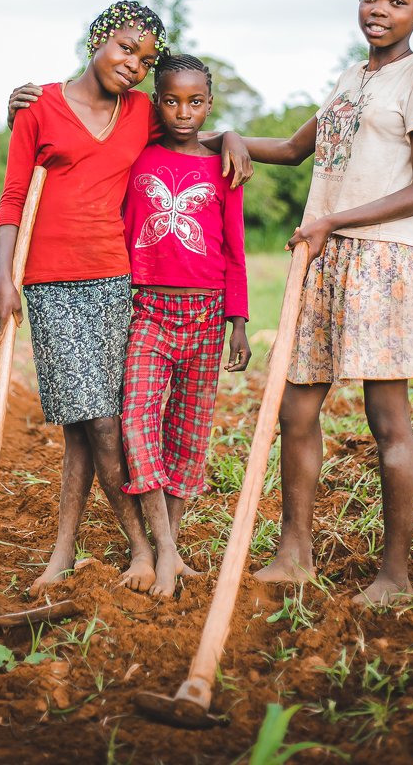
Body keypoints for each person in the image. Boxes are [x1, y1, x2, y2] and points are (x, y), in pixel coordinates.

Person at [0, 2, 251, 597]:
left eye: (144, 59)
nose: (133, 66)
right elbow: (13, 197)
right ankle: (136, 546)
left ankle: (90, 549)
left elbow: (190, 134)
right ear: (97, 40)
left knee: (98, 424)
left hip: (116, 281)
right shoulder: (39, 108)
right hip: (50, 284)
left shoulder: (139, 111)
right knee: (91, 423)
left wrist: (233, 134)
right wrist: (4, 277)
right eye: (124, 49)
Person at [240, 0, 413, 605]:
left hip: (382, 259)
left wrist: (338, 221)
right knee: (295, 411)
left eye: (397, 1)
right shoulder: (349, 82)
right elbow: (297, 151)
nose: (379, 10)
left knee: (388, 419)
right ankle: (294, 553)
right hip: (322, 258)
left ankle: (394, 576)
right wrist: (223, 139)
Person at [120, 54, 251, 597]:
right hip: (148, 309)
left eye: (195, 102)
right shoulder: (138, 155)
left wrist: (238, 321)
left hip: (206, 314)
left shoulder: (224, 168)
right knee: (137, 418)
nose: (182, 111)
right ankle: (164, 550)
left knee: (189, 434)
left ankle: (168, 542)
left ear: (209, 105)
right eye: (171, 100)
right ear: (156, 101)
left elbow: (235, 250)